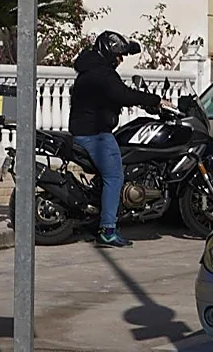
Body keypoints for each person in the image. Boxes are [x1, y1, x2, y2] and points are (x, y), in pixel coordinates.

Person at [68, 31, 173, 248]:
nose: (121, 60)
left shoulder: (90, 69)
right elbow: (123, 94)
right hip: (95, 134)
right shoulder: (102, 73)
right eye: (119, 55)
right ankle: (108, 230)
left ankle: (100, 216)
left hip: (85, 131)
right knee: (115, 177)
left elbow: (116, 96)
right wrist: (156, 100)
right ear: (109, 52)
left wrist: (143, 102)